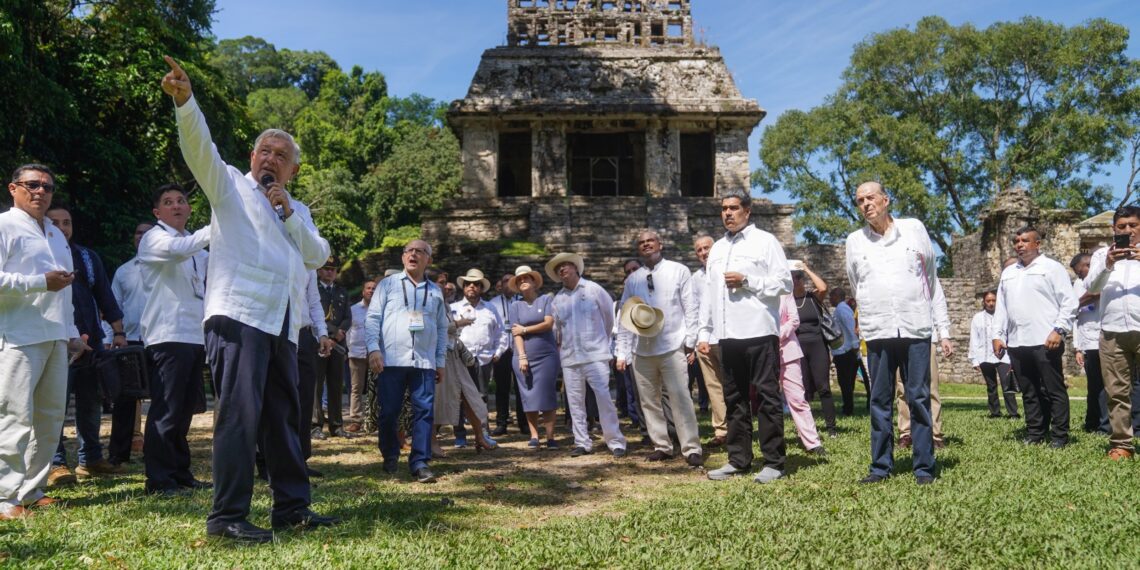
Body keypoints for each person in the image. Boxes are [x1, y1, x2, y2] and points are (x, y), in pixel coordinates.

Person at [162, 56, 337, 543]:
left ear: (293, 169)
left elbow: (317, 256)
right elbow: (200, 149)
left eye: (281, 155)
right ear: (252, 156)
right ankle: (227, 517)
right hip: (238, 315)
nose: (270, 159)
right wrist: (186, 103)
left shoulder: (297, 210)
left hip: (284, 323)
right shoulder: (230, 187)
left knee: (284, 419)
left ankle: (292, 508)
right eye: (264, 151)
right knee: (239, 418)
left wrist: (288, 213)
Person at [0, 164, 88, 519]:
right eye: (32, 185)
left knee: (50, 419)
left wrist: (71, 333)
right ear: (13, 188)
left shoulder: (54, 232)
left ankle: (31, 490)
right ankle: (4, 497)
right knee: (14, 417)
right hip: (18, 336)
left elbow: (64, 291)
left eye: (47, 187)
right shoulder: (4, 226)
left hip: (54, 336)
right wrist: (39, 282)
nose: (40, 191)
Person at [846, 181, 944, 485]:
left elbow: (930, 278)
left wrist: (941, 326)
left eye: (870, 197)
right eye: (860, 200)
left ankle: (924, 467)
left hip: (915, 325)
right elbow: (856, 284)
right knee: (879, 399)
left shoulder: (914, 229)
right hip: (879, 330)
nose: (866, 204)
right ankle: (880, 466)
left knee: (918, 396)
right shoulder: (855, 241)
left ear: (886, 200)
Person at [700, 189, 791, 483]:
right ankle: (738, 459)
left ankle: (774, 461)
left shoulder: (765, 241)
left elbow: (784, 283)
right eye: (724, 208)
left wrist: (747, 280)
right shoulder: (716, 249)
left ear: (747, 211)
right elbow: (709, 293)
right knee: (734, 399)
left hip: (759, 330)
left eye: (734, 208)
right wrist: (705, 331)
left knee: (766, 396)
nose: (728, 213)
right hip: (727, 334)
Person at [136, 184, 212, 496]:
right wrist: (220, 223)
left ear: (190, 209)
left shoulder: (194, 246)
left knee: (184, 411)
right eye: (168, 202)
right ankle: (158, 479)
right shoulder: (155, 238)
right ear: (158, 212)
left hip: (194, 335)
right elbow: (179, 250)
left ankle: (180, 472)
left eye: (181, 201)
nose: (177, 206)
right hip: (167, 334)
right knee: (166, 410)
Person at [45, 204, 129, 480]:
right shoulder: (40, 256)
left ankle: (90, 459)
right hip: (55, 339)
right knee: (54, 404)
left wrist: (118, 332)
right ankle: (55, 463)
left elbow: (105, 295)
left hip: (91, 341)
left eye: (66, 222)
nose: (62, 228)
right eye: (55, 222)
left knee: (91, 403)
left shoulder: (87, 257)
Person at [617, 230, 703, 467]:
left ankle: (691, 447)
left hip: (672, 344)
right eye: (642, 243)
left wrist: (690, 340)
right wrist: (622, 351)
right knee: (649, 401)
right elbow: (625, 316)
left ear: (660, 244)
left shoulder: (678, 270)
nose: (646, 245)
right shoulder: (633, 280)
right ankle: (662, 445)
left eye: (650, 241)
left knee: (680, 397)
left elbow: (690, 306)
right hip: (642, 349)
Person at [365, 240, 448, 483]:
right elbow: (373, 318)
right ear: (403, 258)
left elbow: (442, 327)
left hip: (424, 361)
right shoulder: (388, 285)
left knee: (424, 412)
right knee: (389, 412)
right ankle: (390, 454)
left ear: (428, 260)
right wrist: (373, 349)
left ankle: (420, 462)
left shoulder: (435, 291)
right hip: (391, 359)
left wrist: (440, 360)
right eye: (409, 251)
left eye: (419, 251)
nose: (413, 254)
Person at [992, 226, 1078, 448]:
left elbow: (1069, 302)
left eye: (1024, 240)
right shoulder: (1009, 273)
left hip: (1046, 340)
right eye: (1016, 241)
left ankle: (1059, 436)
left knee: (1053, 389)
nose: (1019, 244)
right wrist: (997, 335)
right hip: (1017, 341)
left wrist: (1059, 330)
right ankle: (1035, 432)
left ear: (1037, 244)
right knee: (1029, 391)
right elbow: (1001, 307)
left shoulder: (1052, 268)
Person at [548, 253, 628, 458]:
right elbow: (558, 330)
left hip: (595, 354)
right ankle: (582, 441)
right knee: (575, 402)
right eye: (558, 268)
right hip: (570, 357)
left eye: (566, 265)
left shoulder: (594, 289)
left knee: (604, 398)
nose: (562, 269)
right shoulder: (558, 299)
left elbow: (609, 319)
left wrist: (601, 343)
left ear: (576, 267)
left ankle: (615, 441)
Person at [1085, 205, 1140, 459]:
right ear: (1113, 229)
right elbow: (1092, 287)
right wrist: (1108, 264)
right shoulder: (1101, 255)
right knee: (1117, 391)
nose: (1128, 231)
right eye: (1122, 226)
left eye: (1133, 225)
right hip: (1112, 331)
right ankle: (1122, 444)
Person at [108, 221, 154, 458]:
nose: (142, 237)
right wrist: (111, 337)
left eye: (147, 233)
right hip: (129, 341)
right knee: (125, 400)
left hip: (159, 339)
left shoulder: (167, 266)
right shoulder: (123, 271)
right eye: (138, 233)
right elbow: (112, 307)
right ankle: (118, 455)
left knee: (162, 399)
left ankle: (157, 452)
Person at [507, 265, 561, 449]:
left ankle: (550, 436)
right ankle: (534, 435)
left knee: (547, 393)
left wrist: (525, 329)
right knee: (528, 394)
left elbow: (548, 324)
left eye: (526, 278)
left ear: (534, 282)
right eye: (519, 280)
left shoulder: (545, 300)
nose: (523, 281)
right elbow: (515, 333)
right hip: (523, 356)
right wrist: (522, 356)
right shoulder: (515, 306)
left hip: (546, 355)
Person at [451, 268, 506, 446]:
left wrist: (498, 352)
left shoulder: (490, 308)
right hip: (459, 358)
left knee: (482, 396)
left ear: (481, 288)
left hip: (483, 358)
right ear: (463, 287)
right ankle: (460, 434)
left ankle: (483, 433)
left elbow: (501, 332)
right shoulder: (453, 308)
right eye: (468, 284)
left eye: (476, 284)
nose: (472, 287)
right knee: (458, 396)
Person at [895, 278, 952, 450]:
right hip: (898, 336)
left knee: (931, 386)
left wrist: (944, 335)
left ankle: (935, 434)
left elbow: (938, 301)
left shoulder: (926, 272)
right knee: (902, 388)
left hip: (925, 336)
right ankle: (906, 433)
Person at [788, 259, 838, 438]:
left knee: (823, 387)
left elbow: (823, 287)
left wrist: (806, 268)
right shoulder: (787, 301)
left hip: (818, 345)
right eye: (792, 277)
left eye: (798, 277)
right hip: (798, 348)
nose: (796, 280)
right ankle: (806, 429)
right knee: (803, 390)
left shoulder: (812, 297)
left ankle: (831, 429)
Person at [691, 233, 728, 447]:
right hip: (704, 340)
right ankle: (721, 430)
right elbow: (693, 309)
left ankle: (739, 426)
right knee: (713, 386)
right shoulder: (695, 278)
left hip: (726, 336)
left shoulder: (726, 270)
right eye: (699, 250)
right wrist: (696, 339)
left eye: (707, 248)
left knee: (731, 383)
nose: (704, 252)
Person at [778, 293, 825, 455]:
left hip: (788, 350)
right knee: (767, 400)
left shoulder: (785, 293)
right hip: (762, 352)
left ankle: (812, 442)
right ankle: (773, 442)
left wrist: (776, 335)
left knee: (798, 398)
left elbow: (794, 320)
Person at [314, 256, 353, 438]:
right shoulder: (313, 289)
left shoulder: (342, 291)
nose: (330, 272)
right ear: (319, 270)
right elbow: (313, 314)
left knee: (336, 384)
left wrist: (339, 334)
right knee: (316, 385)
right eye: (326, 268)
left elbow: (347, 317)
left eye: (333, 269)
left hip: (338, 345)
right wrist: (330, 334)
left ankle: (336, 425)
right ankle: (315, 425)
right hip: (318, 342)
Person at [1070, 253, 1108, 434]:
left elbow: (1095, 293)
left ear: (1089, 265)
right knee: (1093, 386)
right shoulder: (1079, 284)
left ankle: (1105, 425)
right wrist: (1078, 347)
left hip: (1102, 338)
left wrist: (1075, 304)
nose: (1080, 276)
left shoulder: (1103, 277)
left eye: (1080, 272)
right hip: (1087, 342)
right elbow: (1076, 319)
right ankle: (1092, 422)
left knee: (1104, 386)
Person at [968, 290, 1020, 419]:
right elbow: (974, 339)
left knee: (1007, 383)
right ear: (984, 302)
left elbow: (1011, 334)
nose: (991, 303)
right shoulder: (977, 318)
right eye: (988, 301)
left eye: (993, 300)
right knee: (991, 386)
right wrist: (974, 359)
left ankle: (1013, 413)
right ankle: (995, 412)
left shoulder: (1004, 316)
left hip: (1004, 356)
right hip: (984, 356)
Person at [488, 273, 527, 436]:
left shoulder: (523, 301)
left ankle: (524, 423)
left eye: (511, 281)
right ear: (500, 284)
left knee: (522, 387)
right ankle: (501, 423)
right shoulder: (493, 303)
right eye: (505, 281)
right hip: (502, 350)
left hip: (520, 349)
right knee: (501, 388)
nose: (508, 284)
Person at [345, 279, 376, 433]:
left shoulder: (381, 310)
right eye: (368, 288)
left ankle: (373, 420)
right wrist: (348, 349)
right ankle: (356, 420)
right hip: (356, 353)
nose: (371, 291)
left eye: (374, 289)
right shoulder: (353, 310)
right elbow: (347, 331)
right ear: (363, 291)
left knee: (375, 388)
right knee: (356, 388)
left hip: (375, 354)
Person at [829, 288, 866, 416]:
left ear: (836, 296)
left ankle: (848, 409)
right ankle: (847, 406)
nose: (830, 299)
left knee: (846, 382)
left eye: (831, 296)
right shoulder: (840, 309)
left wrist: (855, 345)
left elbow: (851, 327)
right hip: (843, 351)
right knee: (845, 382)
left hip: (847, 351)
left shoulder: (842, 309)